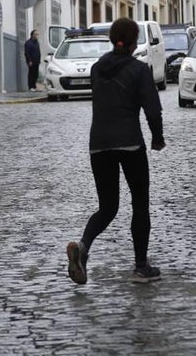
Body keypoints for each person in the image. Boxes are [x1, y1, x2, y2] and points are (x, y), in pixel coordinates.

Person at [66, 18, 166, 285]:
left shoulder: (97, 69)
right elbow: (152, 109)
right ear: (134, 42)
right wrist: (157, 137)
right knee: (139, 203)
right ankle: (141, 266)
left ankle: (84, 247)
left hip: (98, 145)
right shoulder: (139, 70)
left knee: (108, 206)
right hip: (130, 143)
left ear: (112, 39)